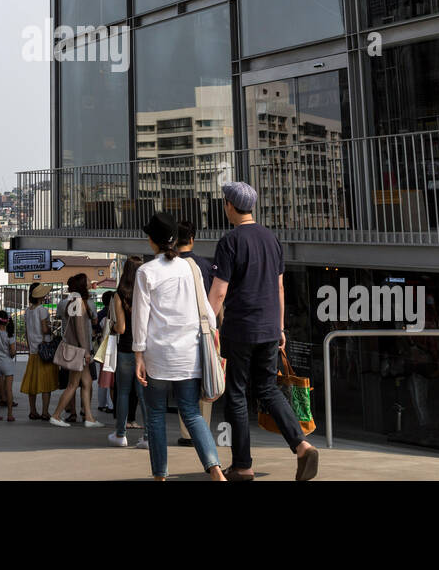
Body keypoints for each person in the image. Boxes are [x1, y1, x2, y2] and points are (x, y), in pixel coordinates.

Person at [208, 181, 318, 481]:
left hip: (241, 328)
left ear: (230, 206)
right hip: (269, 328)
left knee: (237, 395)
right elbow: (280, 287)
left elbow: (218, 293)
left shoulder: (230, 241)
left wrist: (204, 325)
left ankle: (242, 465)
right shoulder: (272, 239)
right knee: (268, 389)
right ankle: (302, 445)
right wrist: (280, 326)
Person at [133, 212, 225, 481]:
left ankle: (160, 476)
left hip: (158, 356)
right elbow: (206, 310)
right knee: (192, 413)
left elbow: (140, 317)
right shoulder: (191, 268)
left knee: (156, 416)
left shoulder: (146, 271)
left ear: (152, 241)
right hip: (189, 354)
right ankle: (216, 470)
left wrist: (139, 354)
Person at [175, 221, 216, 446]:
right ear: (193, 238)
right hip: (204, 328)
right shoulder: (204, 265)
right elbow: (213, 299)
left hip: (179, 331)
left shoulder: (168, 266)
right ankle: (204, 428)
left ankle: (187, 433)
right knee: (206, 377)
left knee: (185, 381)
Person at [49, 273, 101, 428]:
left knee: (86, 382)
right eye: (87, 281)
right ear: (81, 285)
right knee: (73, 384)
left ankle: (89, 418)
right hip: (79, 350)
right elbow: (80, 330)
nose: (90, 282)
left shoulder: (72, 302)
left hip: (76, 348)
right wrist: (85, 351)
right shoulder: (79, 302)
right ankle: (56, 415)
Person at [109, 256, 148, 449]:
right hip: (145, 349)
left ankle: (120, 434)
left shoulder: (120, 294)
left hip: (126, 348)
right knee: (144, 395)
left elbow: (122, 328)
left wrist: (112, 326)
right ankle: (148, 437)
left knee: (123, 392)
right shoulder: (148, 291)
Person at [21, 283, 59, 420]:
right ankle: (45, 412)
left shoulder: (27, 311)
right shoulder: (42, 310)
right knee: (46, 383)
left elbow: (26, 332)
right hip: (44, 351)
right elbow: (44, 330)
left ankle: (33, 411)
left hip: (33, 351)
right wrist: (52, 329)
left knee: (32, 383)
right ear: (40, 296)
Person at [95, 291, 115, 412]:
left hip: (101, 348)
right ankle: (110, 404)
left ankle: (101, 403)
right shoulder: (113, 315)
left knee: (102, 377)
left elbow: (95, 330)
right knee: (110, 378)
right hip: (111, 348)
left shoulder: (100, 314)